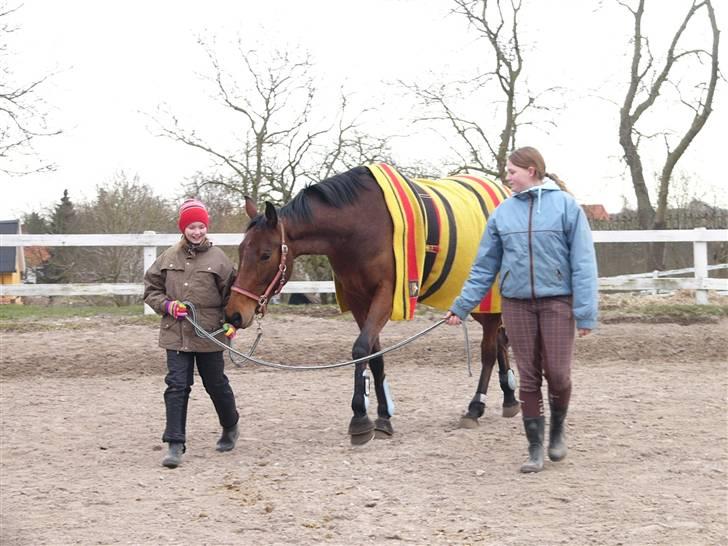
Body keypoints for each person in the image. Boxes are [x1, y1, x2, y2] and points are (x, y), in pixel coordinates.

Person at [445, 146, 598, 473]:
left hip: (558, 301)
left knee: (558, 374)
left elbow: (583, 263)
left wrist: (585, 312)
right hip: (515, 304)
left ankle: (557, 429)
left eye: (512, 171)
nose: (507, 177)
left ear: (531, 170)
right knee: (528, 377)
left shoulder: (566, 208)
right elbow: (484, 266)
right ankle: (534, 448)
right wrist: (461, 306)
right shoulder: (502, 212)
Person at [144, 198, 240, 469]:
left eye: (200, 226)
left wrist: (234, 323)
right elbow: (151, 289)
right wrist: (167, 305)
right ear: (183, 228)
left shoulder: (220, 260)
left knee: (216, 384)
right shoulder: (167, 258)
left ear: (206, 227)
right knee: (176, 386)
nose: (196, 232)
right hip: (176, 333)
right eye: (191, 227)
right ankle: (175, 444)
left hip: (210, 333)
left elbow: (234, 296)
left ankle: (230, 424)